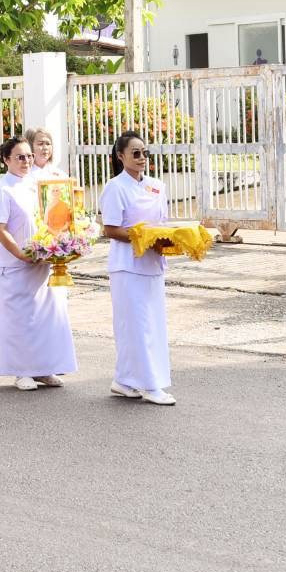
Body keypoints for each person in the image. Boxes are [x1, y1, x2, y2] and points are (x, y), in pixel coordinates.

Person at [0, 136, 77, 390]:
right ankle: (22, 371)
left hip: (42, 260)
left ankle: (44, 368)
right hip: (15, 264)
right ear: (6, 160)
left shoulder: (39, 185)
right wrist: (20, 254)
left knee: (44, 317)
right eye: (20, 157)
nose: (26, 161)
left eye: (28, 156)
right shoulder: (1, 188)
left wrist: (57, 248)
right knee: (20, 319)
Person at [98, 131, 176, 406]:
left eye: (145, 152)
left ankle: (124, 379)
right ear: (120, 156)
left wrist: (168, 240)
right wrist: (142, 236)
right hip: (127, 266)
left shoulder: (157, 185)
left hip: (153, 264)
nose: (142, 158)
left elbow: (162, 222)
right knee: (136, 326)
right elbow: (110, 228)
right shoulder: (115, 187)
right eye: (135, 153)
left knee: (152, 325)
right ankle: (150, 385)